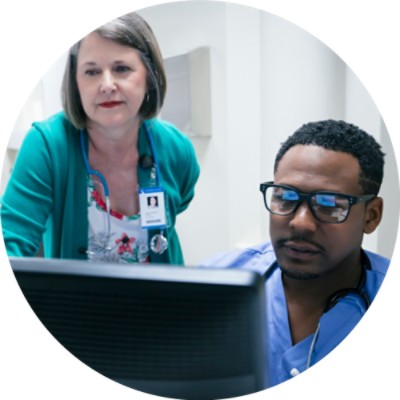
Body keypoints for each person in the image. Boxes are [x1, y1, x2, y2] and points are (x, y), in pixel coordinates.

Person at [201, 120, 389, 387]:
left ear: (371, 216)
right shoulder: (213, 283)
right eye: (285, 197)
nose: (301, 223)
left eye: (329, 204)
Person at [1, 12, 200, 265]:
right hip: (75, 304)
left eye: (121, 69)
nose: (107, 84)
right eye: (92, 72)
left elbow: (180, 202)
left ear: (149, 77)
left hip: (160, 303)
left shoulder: (177, 149)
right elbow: (10, 245)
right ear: (76, 83)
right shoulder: (47, 146)